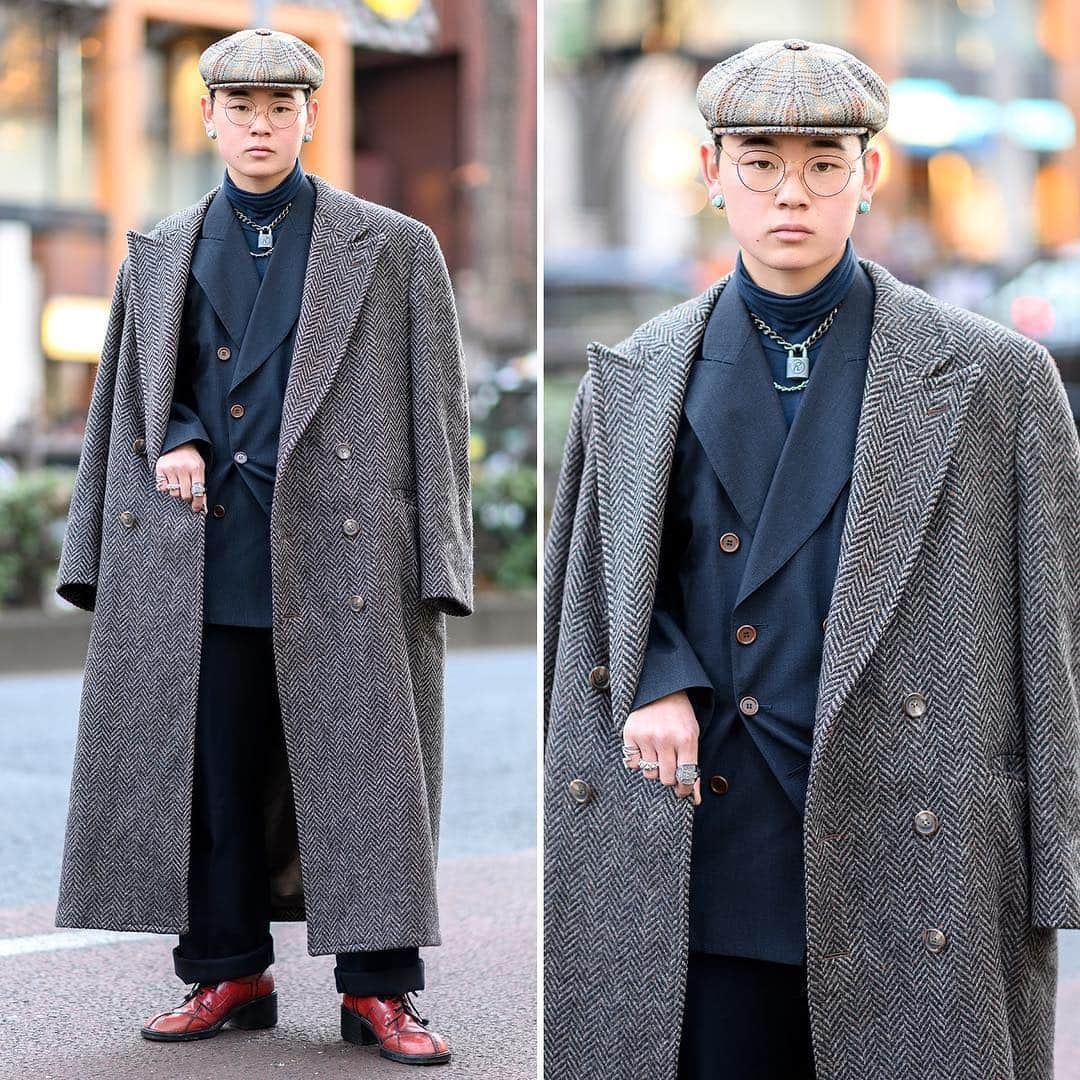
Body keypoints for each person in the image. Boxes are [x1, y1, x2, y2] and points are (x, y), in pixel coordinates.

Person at [543, 37, 1079, 1080]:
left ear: (867, 175)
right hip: (705, 837)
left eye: (824, 163)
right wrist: (653, 680)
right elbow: (593, 593)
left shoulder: (995, 380)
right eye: (759, 162)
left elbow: (1052, 644)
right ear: (711, 174)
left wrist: (1055, 871)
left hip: (916, 843)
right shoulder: (635, 374)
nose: (793, 192)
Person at [55, 26, 472, 1066]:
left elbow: (438, 411)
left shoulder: (392, 245)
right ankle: (228, 971)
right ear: (207, 118)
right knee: (215, 777)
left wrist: (442, 562)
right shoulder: (158, 250)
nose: (260, 126)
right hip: (200, 557)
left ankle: (379, 992)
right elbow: (134, 406)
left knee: (368, 776)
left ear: (310, 118)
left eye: (281, 108)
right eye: (241, 109)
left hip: (347, 560)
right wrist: (178, 441)